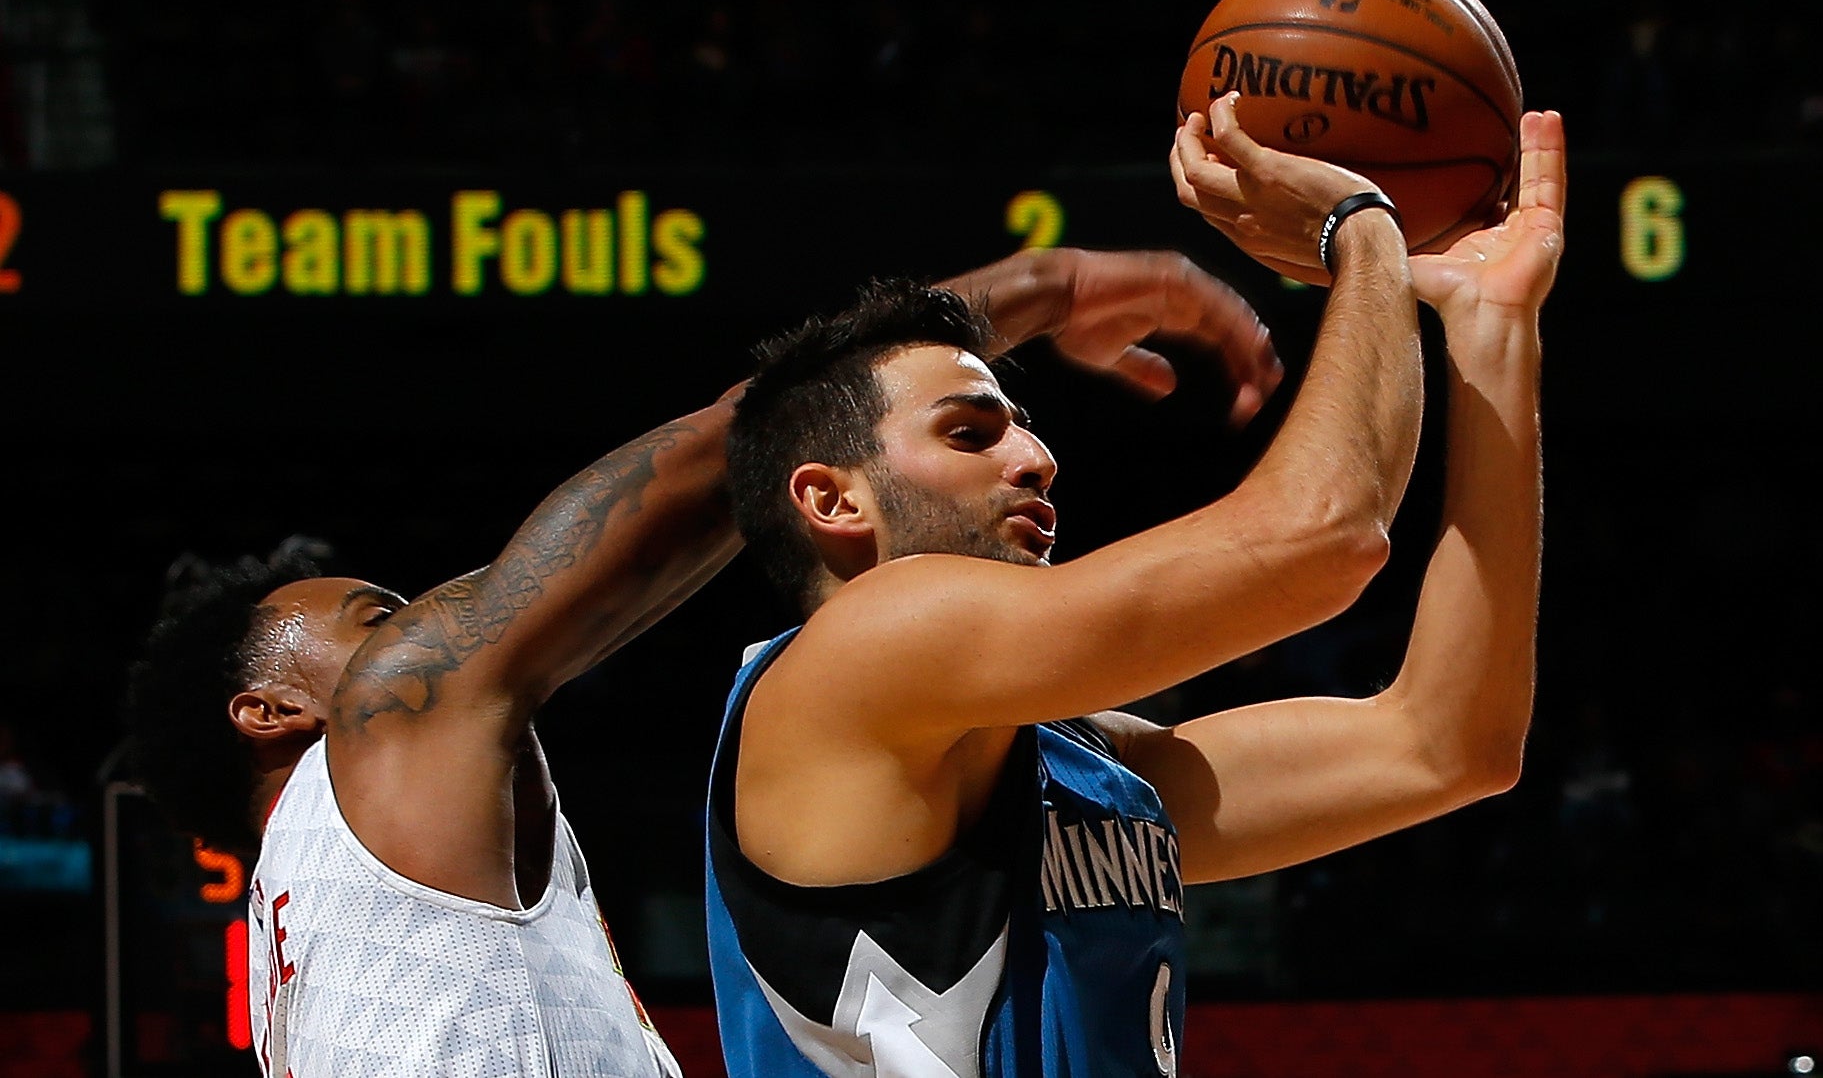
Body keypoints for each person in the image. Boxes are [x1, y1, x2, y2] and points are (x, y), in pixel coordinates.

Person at [123, 242, 1286, 1078]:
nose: (425, 622)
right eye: (381, 617)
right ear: (270, 708)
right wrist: (1043, 289)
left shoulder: (309, 961)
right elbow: (701, 463)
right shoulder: (394, 730)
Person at [706, 92, 1566, 1076]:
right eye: (968, 430)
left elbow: (1447, 744)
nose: (1033, 455)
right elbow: (1322, 537)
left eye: (1019, 420)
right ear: (831, 498)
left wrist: (1493, 328)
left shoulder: (1078, 767)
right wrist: (1363, 226)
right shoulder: (857, 650)